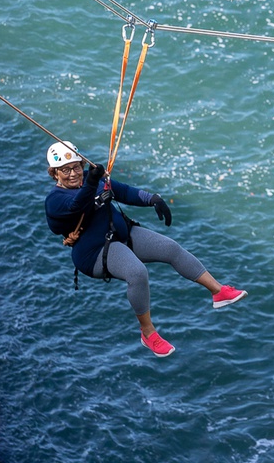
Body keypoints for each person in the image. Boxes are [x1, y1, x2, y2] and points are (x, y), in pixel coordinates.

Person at [44, 141, 247, 357]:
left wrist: (152, 199)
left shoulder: (89, 178)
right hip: (94, 252)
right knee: (137, 272)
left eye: (76, 167)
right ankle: (148, 333)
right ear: (54, 173)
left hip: (120, 234)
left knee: (170, 248)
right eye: (65, 170)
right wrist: (92, 183)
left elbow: (122, 191)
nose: (73, 173)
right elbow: (78, 206)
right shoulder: (54, 200)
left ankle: (218, 292)